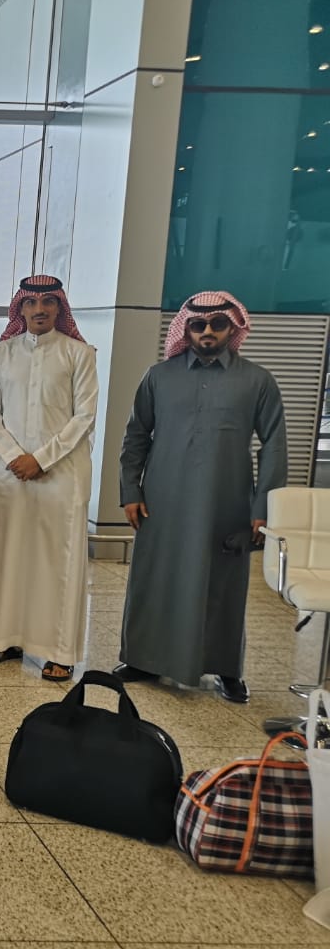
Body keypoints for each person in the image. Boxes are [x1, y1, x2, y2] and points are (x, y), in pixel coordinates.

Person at [113, 292, 287, 704]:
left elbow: (274, 446)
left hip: (225, 504)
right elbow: (136, 436)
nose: (207, 331)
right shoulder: (158, 377)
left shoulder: (257, 380)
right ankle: (143, 659)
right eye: (198, 324)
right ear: (185, 328)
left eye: (217, 324)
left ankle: (226, 668)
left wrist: (263, 507)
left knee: (223, 587)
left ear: (232, 327)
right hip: (162, 502)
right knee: (155, 579)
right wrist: (130, 491)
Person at [0, 275, 98, 681]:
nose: (40, 309)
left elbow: (84, 416)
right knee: (7, 555)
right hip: (12, 474)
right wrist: (15, 456)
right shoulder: (0, 354)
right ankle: (1, 638)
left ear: (60, 308)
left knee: (57, 561)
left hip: (62, 475)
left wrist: (41, 459)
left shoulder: (79, 354)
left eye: (48, 302)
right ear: (21, 308)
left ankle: (58, 651)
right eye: (31, 302)